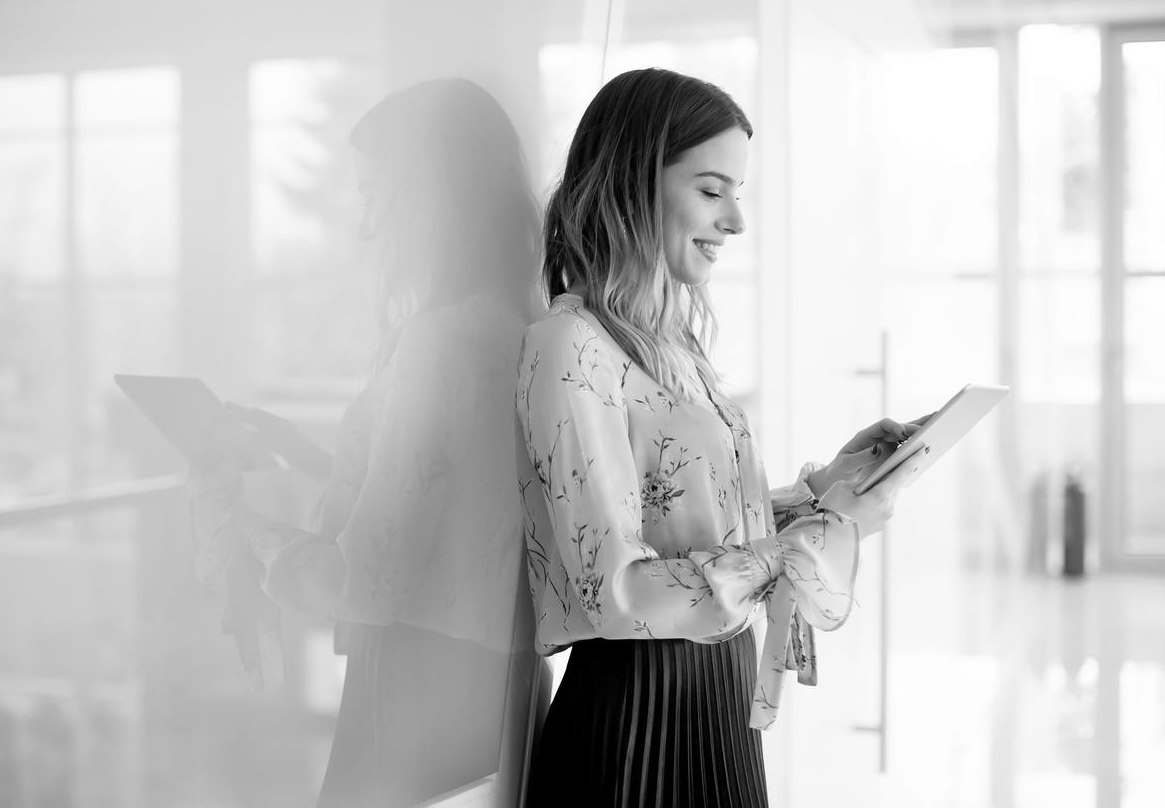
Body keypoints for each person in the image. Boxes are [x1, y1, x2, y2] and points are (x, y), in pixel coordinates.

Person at [515, 67, 930, 807]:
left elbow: (691, 529)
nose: (735, 221)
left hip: (719, 702)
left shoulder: (673, 340)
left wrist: (820, 491)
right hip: (635, 724)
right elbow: (619, 589)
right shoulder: (567, 346)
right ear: (634, 185)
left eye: (737, 193)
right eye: (712, 190)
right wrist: (822, 533)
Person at [187, 78, 545, 807]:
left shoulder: (438, 342)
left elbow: (366, 580)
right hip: (496, 684)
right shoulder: (522, 328)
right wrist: (307, 451)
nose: (364, 226)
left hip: (415, 694)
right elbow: (456, 495)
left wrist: (239, 527)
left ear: (428, 198)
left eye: (373, 195)